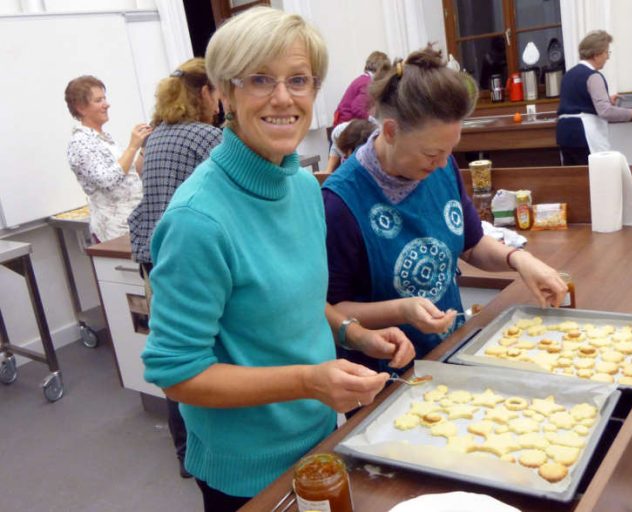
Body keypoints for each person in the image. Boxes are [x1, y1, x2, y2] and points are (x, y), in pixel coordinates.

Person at [140, 7, 414, 511]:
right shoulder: (198, 220)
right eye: (260, 79)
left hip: (319, 440)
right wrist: (310, 379)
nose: (283, 98)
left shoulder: (304, 189)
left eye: (299, 80)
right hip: (246, 473)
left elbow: (298, 307)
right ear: (224, 92)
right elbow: (176, 372)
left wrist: (354, 334)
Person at [322, 45, 568, 373]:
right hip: (385, 379)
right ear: (391, 131)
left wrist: (518, 260)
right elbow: (334, 310)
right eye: (430, 154)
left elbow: (471, 242)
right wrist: (402, 310)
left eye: (449, 150)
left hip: (450, 353)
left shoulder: (442, 166)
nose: (441, 164)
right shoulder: (341, 204)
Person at [127, 57, 222, 479]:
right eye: (219, 91)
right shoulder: (206, 136)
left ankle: (185, 452)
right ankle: (212, 450)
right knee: (204, 357)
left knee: (173, 348)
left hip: (151, 256)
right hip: (189, 259)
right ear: (205, 92)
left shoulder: (157, 136)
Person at [65, 75, 151, 242]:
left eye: (104, 98)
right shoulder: (80, 142)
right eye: (99, 100)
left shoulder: (104, 137)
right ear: (81, 108)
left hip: (135, 223)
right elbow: (107, 180)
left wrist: (144, 147)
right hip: (115, 232)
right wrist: (132, 146)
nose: (107, 104)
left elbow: (129, 174)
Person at [556, 30, 632, 165]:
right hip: (584, 135)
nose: (607, 57)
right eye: (606, 53)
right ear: (596, 54)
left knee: (573, 180)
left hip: (564, 134)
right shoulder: (593, 76)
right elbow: (605, 111)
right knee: (594, 179)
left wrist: (607, 99)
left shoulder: (568, 74)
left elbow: (577, 101)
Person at [333, 50, 391, 126]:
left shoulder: (363, 79)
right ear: (382, 70)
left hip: (342, 121)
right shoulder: (367, 83)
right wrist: (372, 120)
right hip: (345, 124)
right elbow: (357, 109)